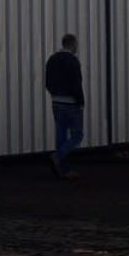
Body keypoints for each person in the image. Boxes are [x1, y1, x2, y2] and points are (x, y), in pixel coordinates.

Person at [44, 33, 85, 179]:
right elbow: (76, 84)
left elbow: (48, 82)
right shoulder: (73, 61)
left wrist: (54, 94)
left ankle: (63, 170)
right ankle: (58, 156)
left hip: (56, 102)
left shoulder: (52, 59)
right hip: (71, 103)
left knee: (60, 135)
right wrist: (80, 102)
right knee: (77, 135)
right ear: (73, 45)